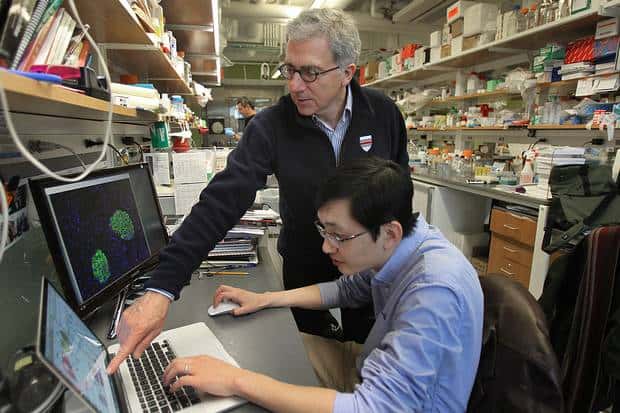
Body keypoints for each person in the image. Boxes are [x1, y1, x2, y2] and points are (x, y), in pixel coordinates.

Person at [107, 8, 409, 375]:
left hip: (373, 270)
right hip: (306, 267)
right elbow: (221, 202)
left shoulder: (383, 115)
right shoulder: (272, 125)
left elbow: (399, 197)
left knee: (370, 364)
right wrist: (162, 288)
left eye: (310, 72)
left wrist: (403, 266)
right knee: (305, 369)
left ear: (348, 72)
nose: (295, 85)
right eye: (290, 70)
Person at [160, 157, 484, 412]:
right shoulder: (406, 242)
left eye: (339, 235)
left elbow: (369, 407)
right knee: (265, 350)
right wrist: (267, 298)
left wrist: (237, 381)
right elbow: (345, 290)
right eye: (324, 230)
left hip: (378, 400)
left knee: (243, 379)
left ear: (389, 233)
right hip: (367, 367)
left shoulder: (434, 292)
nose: (327, 247)